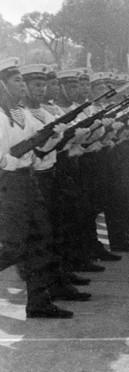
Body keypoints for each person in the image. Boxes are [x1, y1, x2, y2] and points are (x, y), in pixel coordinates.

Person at [0, 57, 74, 318]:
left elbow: (41, 150)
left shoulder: (22, 115)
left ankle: (39, 303)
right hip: (7, 185)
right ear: (2, 84)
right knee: (12, 247)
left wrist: (54, 136)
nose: (22, 85)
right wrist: (14, 158)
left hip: (28, 182)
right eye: (16, 80)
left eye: (22, 79)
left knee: (41, 240)